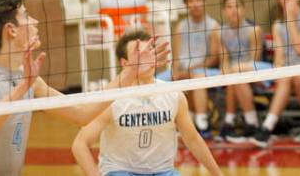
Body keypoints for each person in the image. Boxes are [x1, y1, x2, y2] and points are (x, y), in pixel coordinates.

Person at [0, 0, 166, 176]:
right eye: (26, 15)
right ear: (11, 30)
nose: (35, 21)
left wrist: (129, 74)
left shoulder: (30, 81)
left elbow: (82, 114)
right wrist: (22, 88)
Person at [72, 29, 225, 176]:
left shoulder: (173, 94)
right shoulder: (111, 99)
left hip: (163, 171)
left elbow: (193, 140)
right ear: (124, 63)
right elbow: (80, 144)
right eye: (139, 54)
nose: (147, 57)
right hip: (120, 170)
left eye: (149, 52)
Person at [255, 0, 300, 144]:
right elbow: (280, 56)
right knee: (286, 77)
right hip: (289, 70)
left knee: (297, 77)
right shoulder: (277, 25)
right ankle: (267, 128)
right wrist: (278, 69)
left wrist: (290, 19)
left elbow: (299, 49)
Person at [216, 0, 268, 145]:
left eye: (237, 6)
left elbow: (255, 60)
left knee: (236, 73)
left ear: (244, 8)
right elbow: (224, 60)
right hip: (234, 75)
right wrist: (226, 72)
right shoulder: (220, 32)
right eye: (229, 7)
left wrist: (233, 71)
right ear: (224, 11)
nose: (234, 10)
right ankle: (249, 124)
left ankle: (230, 122)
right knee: (234, 75)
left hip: (254, 69)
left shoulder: (254, 30)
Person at [171, 0, 221, 135]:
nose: (195, 4)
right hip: (184, 69)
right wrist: (175, 72)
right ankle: (182, 120)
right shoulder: (180, 26)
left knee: (196, 78)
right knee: (157, 82)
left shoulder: (213, 26)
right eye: (191, 1)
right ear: (186, 5)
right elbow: (176, 57)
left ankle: (202, 122)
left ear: (204, 2)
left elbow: (213, 58)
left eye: (198, 0)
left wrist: (189, 71)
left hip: (204, 70)